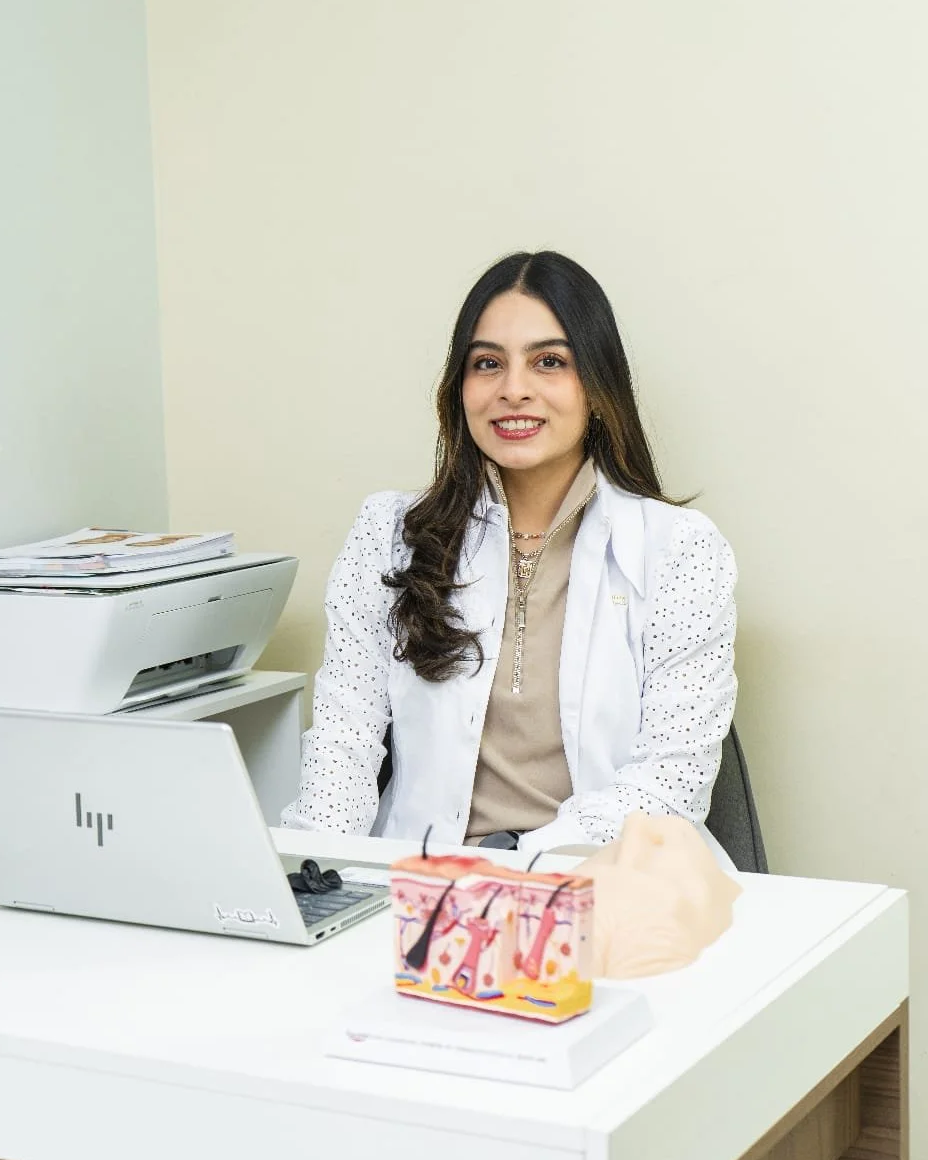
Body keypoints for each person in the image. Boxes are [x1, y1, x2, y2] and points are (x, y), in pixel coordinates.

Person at [282, 251, 737, 862]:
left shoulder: (681, 548)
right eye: (488, 364)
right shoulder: (390, 532)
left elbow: (672, 779)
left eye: (550, 362)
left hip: (603, 885)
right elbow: (344, 741)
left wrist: (513, 866)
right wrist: (311, 873)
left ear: (598, 388)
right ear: (460, 389)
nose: (513, 390)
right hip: (423, 891)